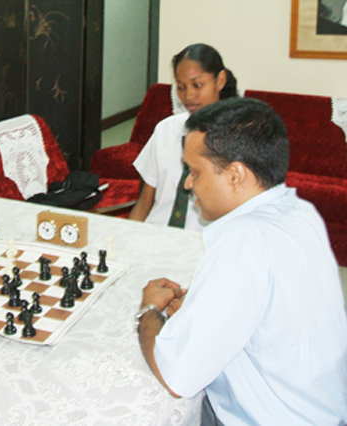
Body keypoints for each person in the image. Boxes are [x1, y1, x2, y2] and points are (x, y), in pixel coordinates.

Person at [136, 97, 347, 425]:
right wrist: (201, 301)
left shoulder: (244, 240)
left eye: (194, 171)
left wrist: (149, 311)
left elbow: (177, 376)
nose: (188, 184)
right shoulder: (301, 212)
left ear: (235, 175)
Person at [128, 43, 238, 231]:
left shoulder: (238, 138)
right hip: (154, 237)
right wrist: (127, 240)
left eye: (197, 85)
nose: (188, 96)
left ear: (220, 80)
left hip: (205, 247)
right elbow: (145, 201)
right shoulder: (165, 130)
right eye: (180, 87)